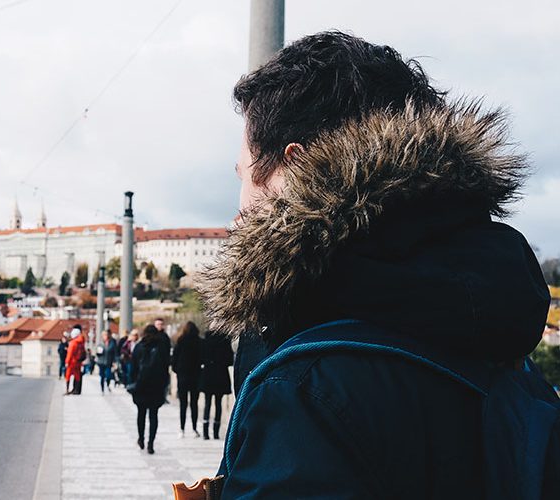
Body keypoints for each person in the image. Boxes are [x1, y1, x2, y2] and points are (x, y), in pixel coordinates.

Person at [196, 31, 554, 497]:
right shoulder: (496, 327)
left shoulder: (307, 382)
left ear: (295, 168)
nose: (237, 212)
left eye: (243, 176)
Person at [130, 324, 170, 454]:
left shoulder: (138, 347)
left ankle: (141, 438)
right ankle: (150, 443)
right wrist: (164, 384)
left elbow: (133, 367)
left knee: (141, 414)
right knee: (153, 415)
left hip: (141, 386)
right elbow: (165, 367)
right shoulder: (161, 347)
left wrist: (132, 383)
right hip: (156, 386)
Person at [198, 329, 233, 440]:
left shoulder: (205, 340)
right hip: (220, 374)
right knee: (218, 404)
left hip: (208, 373)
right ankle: (216, 432)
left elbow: (201, 358)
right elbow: (230, 360)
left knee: (207, 403)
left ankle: (205, 432)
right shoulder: (225, 340)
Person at [171, 321, 202, 438]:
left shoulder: (180, 341)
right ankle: (194, 428)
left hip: (182, 376)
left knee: (183, 404)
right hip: (195, 376)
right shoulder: (199, 342)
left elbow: (174, 359)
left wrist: (177, 370)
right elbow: (202, 358)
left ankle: (182, 428)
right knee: (194, 403)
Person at [64, 325, 85, 395]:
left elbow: (70, 353)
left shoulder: (73, 343)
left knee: (68, 375)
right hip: (78, 362)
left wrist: (67, 362)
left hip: (72, 362)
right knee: (77, 376)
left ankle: (67, 390)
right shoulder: (81, 342)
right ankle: (76, 390)